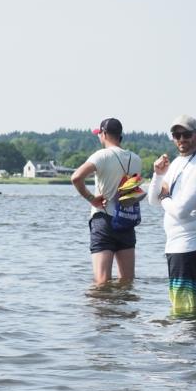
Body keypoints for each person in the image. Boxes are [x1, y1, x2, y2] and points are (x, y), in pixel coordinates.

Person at [147, 115, 196, 314]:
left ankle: (187, 345)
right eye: (176, 135)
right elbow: (153, 199)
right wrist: (158, 174)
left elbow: (180, 211)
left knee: (185, 312)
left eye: (186, 134)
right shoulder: (178, 163)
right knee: (179, 309)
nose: (181, 139)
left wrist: (164, 198)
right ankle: (184, 345)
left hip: (191, 248)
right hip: (176, 247)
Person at [71, 117, 143, 285]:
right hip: (126, 220)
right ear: (120, 136)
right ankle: (123, 311)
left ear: (103, 134)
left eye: (99, 134)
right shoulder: (136, 159)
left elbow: (76, 177)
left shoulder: (101, 156)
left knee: (101, 282)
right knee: (127, 282)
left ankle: (103, 311)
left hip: (103, 220)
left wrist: (92, 199)